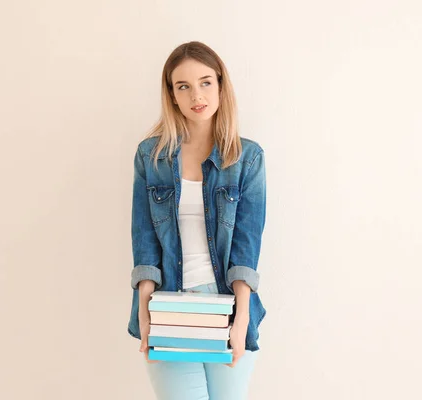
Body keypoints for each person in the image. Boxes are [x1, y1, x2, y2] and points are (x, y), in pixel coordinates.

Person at [127, 41, 267, 400]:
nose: (196, 95)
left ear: (221, 85)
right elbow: (144, 241)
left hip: (225, 304)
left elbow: (246, 248)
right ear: (172, 95)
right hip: (168, 304)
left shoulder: (246, 158)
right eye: (183, 86)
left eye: (206, 82)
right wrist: (145, 312)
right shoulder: (151, 156)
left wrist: (241, 321)